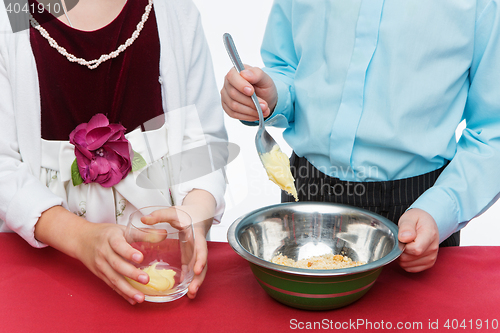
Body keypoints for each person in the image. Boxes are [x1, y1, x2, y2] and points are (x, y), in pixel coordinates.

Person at [221, 0, 500, 272]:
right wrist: (270, 96)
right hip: (305, 191)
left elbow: (493, 129)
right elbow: (289, 68)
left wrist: (441, 210)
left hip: (417, 211)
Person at [0, 0, 228, 304]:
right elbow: (3, 166)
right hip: (47, 275)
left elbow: (203, 141)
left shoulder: (171, 9)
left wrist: (194, 218)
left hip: (163, 271)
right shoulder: (11, 15)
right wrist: (81, 238)